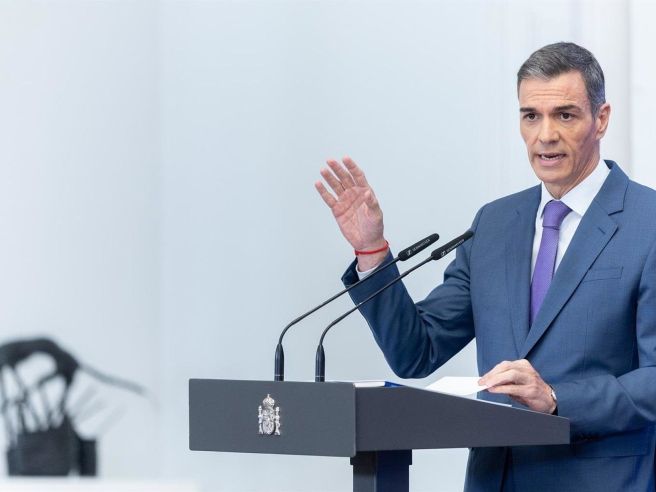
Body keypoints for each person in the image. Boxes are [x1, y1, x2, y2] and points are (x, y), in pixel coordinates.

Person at [315, 42, 656, 491]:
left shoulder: (647, 222)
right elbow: (416, 352)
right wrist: (372, 252)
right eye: (530, 116)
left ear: (602, 118)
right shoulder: (494, 224)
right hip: (496, 479)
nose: (545, 135)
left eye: (565, 115)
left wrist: (556, 398)